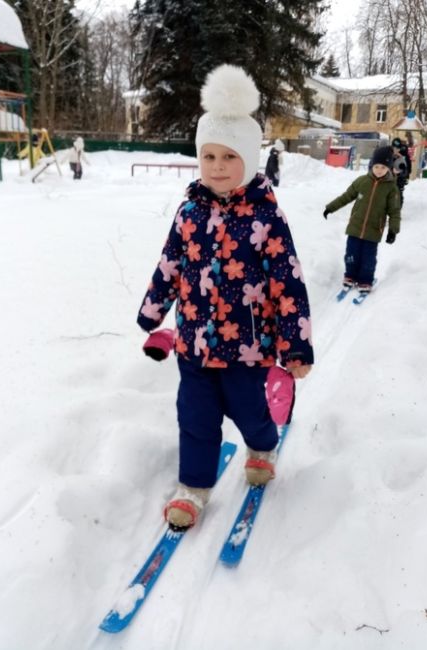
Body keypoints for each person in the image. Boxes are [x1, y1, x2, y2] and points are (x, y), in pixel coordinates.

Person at [137, 64, 314, 530]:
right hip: (193, 344)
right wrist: (153, 310)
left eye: (228, 157)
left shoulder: (266, 218)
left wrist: (295, 345)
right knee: (194, 417)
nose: (216, 166)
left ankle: (262, 444)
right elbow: (170, 264)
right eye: (208, 156)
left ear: (250, 160)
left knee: (248, 410)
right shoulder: (188, 212)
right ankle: (193, 489)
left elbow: (288, 281)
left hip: (247, 346)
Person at [323, 145, 401, 295]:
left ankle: (365, 280)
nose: (379, 170)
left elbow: (394, 211)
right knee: (351, 254)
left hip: (373, 230)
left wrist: (393, 230)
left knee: (368, 258)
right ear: (372, 165)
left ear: (389, 169)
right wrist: (330, 208)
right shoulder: (361, 181)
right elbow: (346, 197)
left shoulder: (391, 189)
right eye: (377, 166)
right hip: (355, 227)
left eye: (383, 167)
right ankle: (350, 276)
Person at [391, 137, 412, 206]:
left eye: (397, 148)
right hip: (391, 177)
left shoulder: (403, 156)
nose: (396, 150)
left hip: (400, 177)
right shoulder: (389, 154)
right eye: (394, 147)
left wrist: (406, 176)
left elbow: (407, 166)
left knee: (399, 191)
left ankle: (398, 206)